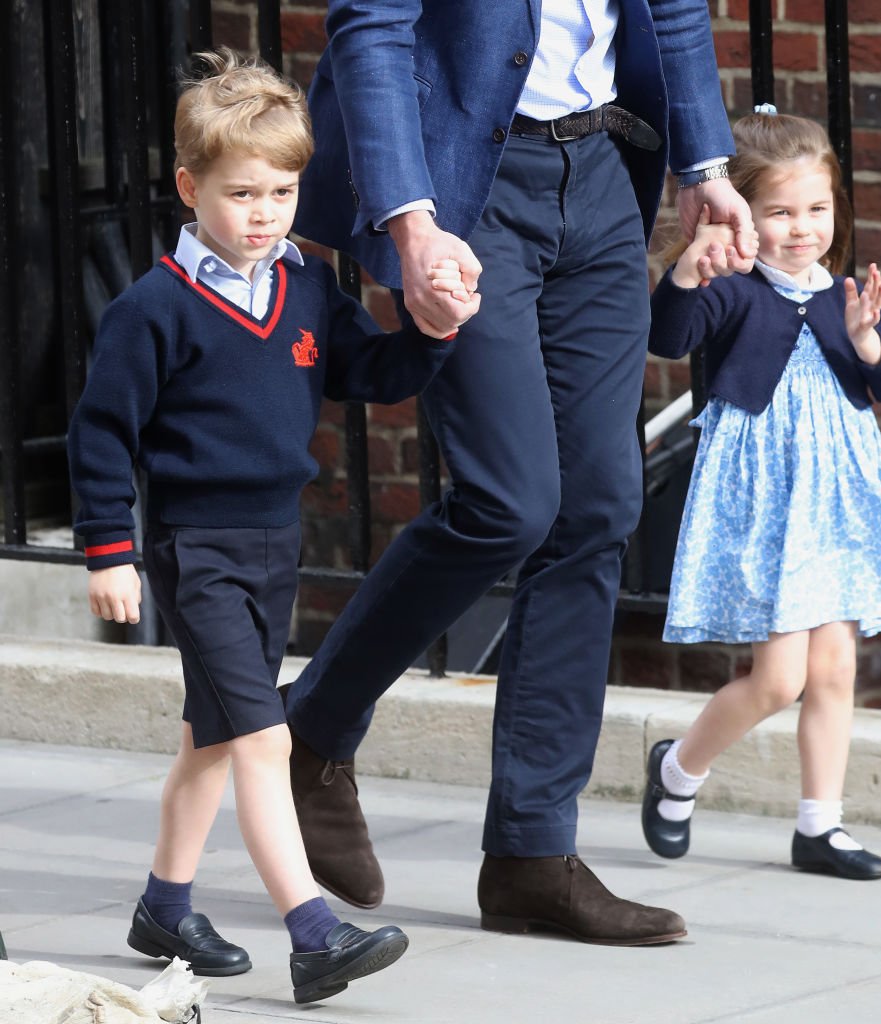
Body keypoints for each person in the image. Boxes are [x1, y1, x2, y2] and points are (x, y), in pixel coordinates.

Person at [285, 2, 758, 945]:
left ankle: (534, 854)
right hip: (466, 181)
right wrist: (410, 226)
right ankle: (314, 730)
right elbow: (371, 27)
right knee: (511, 502)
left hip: (601, 179)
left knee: (598, 507)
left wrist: (705, 166)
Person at [66, 49, 467, 1003]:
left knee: (210, 740)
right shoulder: (152, 309)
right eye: (241, 192)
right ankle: (313, 931)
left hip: (270, 544)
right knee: (263, 737)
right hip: (191, 550)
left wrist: (434, 331)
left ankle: (165, 905)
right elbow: (99, 431)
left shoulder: (304, 290)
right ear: (188, 187)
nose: (265, 212)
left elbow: (369, 372)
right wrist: (108, 551)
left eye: (283, 191)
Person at [641, 109, 881, 880]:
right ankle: (678, 770)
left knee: (835, 669)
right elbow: (670, 337)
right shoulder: (734, 290)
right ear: (746, 212)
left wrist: (869, 339)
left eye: (817, 210)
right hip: (768, 498)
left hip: (836, 498)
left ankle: (820, 827)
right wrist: (689, 272)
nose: (802, 229)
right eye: (781, 212)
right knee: (778, 679)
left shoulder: (842, 296)